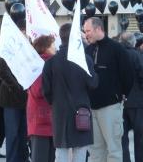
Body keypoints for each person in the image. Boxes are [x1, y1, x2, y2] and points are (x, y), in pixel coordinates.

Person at [42, 23, 99, 162]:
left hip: (60, 113)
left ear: (61, 38)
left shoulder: (51, 62)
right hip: (81, 112)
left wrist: (55, 102)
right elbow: (93, 84)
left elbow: (46, 91)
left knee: (61, 153)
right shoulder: (84, 59)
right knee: (80, 153)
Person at [84, 17, 133, 162]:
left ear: (98, 29)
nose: (86, 34)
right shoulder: (87, 50)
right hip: (91, 108)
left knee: (114, 150)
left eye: (88, 31)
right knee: (95, 151)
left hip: (111, 107)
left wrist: (120, 95)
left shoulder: (117, 49)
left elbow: (128, 75)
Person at [0, 27, 29, 162]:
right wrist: (19, 88)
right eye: (23, 34)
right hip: (11, 99)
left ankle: (23, 159)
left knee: (24, 134)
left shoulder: (30, 51)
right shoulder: (7, 51)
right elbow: (2, 73)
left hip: (26, 99)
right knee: (12, 134)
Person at [120, 32, 143, 162]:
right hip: (136, 100)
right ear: (133, 42)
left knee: (122, 135)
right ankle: (140, 159)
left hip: (119, 100)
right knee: (139, 135)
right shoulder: (137, 55)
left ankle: (125, 159)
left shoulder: (117, 55)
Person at [27, 35, 56, 162]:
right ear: (46, 48)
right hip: (42, 119)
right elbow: (38, 90)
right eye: (53, 45)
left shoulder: (48, 63)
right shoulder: (41, 64)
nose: (56, 47)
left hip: (45, 119)